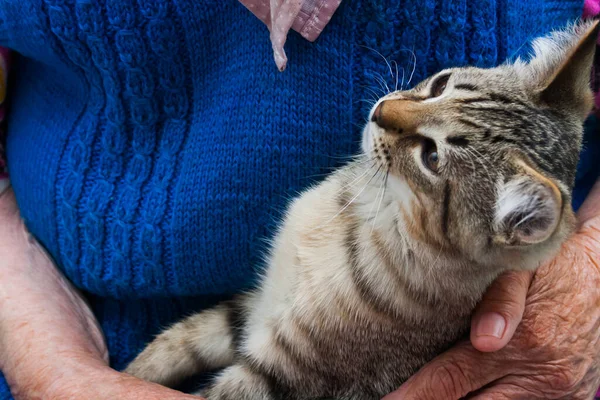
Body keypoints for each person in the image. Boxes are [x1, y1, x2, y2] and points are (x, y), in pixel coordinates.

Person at [0, 1, 599, 399]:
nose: (388, 111)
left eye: (431, 151)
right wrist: (41, 360)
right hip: (45, 321)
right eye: (436, 87)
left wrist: (592, 268)